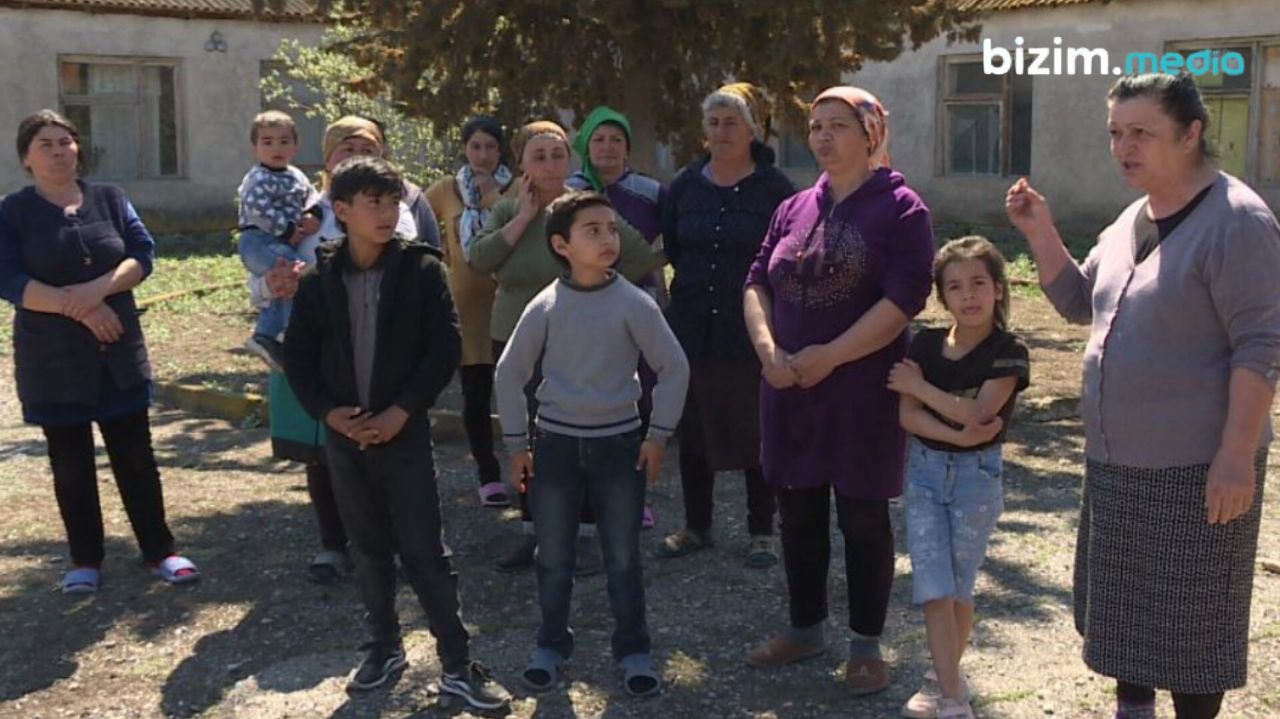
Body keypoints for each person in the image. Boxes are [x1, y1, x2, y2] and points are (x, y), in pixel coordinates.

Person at [1006, 72, 1280, 719]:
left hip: (1197, 470)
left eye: (1141, 133)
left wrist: (1235, 456)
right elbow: (1080, 302)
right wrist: (1040, 230)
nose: (1123, 147)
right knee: (1126, 624)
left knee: (1190, 635)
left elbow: (1261, 345)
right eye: (1115, 133)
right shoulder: (1133, 218)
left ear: (1191, 134)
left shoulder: (1237, 221)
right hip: (1118, 464)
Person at [282, 155, 511, 707]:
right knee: (368, 548)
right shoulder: (319, 280)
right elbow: (299, 358)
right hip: (345, 439)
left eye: (393, 202)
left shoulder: (421, 271)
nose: (386, 213)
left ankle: (457, 662)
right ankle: (384, 646)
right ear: (341, 211)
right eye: (373, 203)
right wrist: (330, 414)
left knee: (425, 550)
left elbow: (443, 349)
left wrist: (402, 411)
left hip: (402, 435)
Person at [741, 86, 934, 695]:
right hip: (790, 386)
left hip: (861, 393)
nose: (822, 136)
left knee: (862, 517)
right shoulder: (793, 207)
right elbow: (756, 281)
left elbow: (905, 299)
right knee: (797, 513)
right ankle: (805, 629)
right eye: (816, 126)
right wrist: (769, 353)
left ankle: (866, 646)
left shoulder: (902, 209)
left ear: (871, 134)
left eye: (838, 125)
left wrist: (832, 356)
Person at [494, 190, 689, 697]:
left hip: (619, 445)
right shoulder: (545, 305)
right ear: (561, 245)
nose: (608, 239)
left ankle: (634, 650)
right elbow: (509, 373)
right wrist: (517, 444)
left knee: (622, 557)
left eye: (612, 229)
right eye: (593, 231)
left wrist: (659, 435)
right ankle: (551, 645)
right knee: (553, 556)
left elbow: (674, 366)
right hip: (554, 446)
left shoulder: (634, 302)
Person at [0, 109, 199, 593]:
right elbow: (9, 278)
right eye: (45, 144)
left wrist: (96, 291)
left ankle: (161, 551)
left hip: (117, 353)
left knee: (136, 456)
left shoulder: (111, 198)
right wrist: (83, 308)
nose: (58, 152)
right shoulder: (12, 211)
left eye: (65, 142)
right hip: (53, 359)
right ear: (26, 158)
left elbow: (142, 254)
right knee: (70, 463)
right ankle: (85, 559)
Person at [470, 120, 665, 574]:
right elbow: (480, 259)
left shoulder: (585, 210)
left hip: (579, 338)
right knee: (528, 435)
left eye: (558, 155)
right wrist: (523, 217)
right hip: (514, 333)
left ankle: (586, 534)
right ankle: (533, 530)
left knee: (582, 434)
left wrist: (600, 285)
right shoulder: (506, 209)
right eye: (538, 156)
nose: (550, 164)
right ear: (522, 163)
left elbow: (639, 255)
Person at [254, 115, 439, 584]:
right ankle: (334, 545)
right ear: (327, 158)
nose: (357, 156)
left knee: (395, 456)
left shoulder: (406, 203)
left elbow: (432, 264)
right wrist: (271, 284)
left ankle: (398, 545)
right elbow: (263, 268)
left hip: (390, 353)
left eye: (368, 148)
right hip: (318, 352)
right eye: (346, 148)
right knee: (324, 451)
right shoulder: (301, 208)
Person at [888, 237, 1030, 719]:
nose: (968, 295)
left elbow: (980, 412)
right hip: (926, 474)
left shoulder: (1009, 351)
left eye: (978, 283)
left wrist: (920, 387)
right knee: (934, 585)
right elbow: (909, 417)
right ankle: (954, 698)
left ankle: (939, 677)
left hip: (977, 479)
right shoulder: (924, 344)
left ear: (998, 289)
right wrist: (958, 434)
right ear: (942, 296)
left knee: (960, 587)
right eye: (954, 286)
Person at [657, 82, 796, 567]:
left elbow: (788, 257)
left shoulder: (775, 189)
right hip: (693, 326)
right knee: (694, 430)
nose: (721, 132)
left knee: (757, 428)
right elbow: (675, 246)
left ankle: (762, 532)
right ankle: (697, 525)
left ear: (753, 130)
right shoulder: (686, 185)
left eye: (731, 123)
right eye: (713, 123)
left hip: (752, 330)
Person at [569, 105, 667, 528]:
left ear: (627, 147)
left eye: (616, 140)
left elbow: (672, 241)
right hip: (581, 306)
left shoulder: (650, 191)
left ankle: (633, 495)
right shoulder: (570, 192)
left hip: (636, 305)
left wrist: (651, 271)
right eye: (599, 139)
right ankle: (585, 499)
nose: (607, 147)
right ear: (585, 146)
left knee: (636, 401)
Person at [425, 116, 513, 507]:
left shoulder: (514, 189)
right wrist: (436, 255)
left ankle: (527, 474)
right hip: (466, 310)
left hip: (508, 305)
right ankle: (488, 475)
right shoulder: (447, 189)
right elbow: (412, 219)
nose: (483, 155)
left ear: (500, 151)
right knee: (475, 398)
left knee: (516, 397)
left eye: (490, 147)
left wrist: (493, 196)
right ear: (465, 149)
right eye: (476, 146)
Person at [237, 110, 321, 370]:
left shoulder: (296, 176)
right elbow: (258, 210)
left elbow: (312, 197)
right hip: (258, 241)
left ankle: (266, 335)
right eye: (268, 142)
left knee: (283, 284)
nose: (276, 148)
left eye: (284, 141)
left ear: (295, 147)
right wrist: (286, 230)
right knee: (298, 273)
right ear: (255, 147)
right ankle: (286, 330)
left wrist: (313, 213)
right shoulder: (257, 178)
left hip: (282, 243)